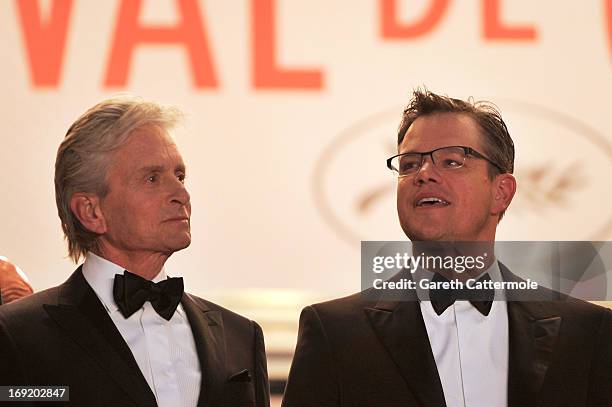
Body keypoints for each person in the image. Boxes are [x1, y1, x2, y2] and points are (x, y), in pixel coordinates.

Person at [281, 89, 612, 406]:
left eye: (451, 161)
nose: (424, 174)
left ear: (502, 192)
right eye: (410, 164)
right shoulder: (334, 333)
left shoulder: (587, 333)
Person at [0, 97, 270, 407]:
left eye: (179, 176)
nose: (181, 194)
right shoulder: (19, 335)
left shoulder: (241, 337)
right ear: (91, 212)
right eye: (152, 178)